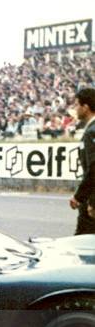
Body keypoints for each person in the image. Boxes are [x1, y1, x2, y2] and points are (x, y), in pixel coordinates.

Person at [69, 88, 95, 235]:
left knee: (82, 244)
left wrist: (82, 197)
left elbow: (94, 167)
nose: (75, 109)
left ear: (86, 107)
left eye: (77, 105)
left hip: (91, 201)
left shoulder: (92, 131)